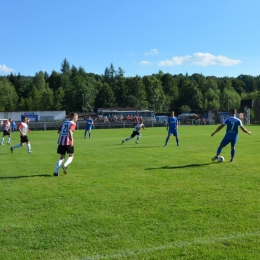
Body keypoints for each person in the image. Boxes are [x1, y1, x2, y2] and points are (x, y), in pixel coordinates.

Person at [53, 112, 78, 176]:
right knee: (71, 156)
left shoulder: (64, 122)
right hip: (68, 142)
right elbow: (70, 131)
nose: (77, 119)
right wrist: (71, 140)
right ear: (74, 117)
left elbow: (58, 131)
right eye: (77, 118)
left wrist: (63, 134)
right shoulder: (73, 124)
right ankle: (65, 165)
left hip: (61, 142)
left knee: (61, 157)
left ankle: (56, 172)